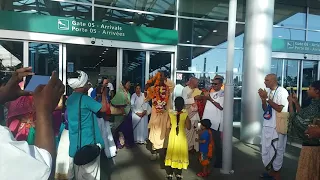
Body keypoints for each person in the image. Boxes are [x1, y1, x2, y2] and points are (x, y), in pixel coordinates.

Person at [0, 67, 65, 180]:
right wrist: (44, 111)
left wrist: (3, 96)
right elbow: (43, 167)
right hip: (31, 134)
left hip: (28, 132)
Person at [67, 70, 106, 180]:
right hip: (88, 145)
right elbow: (104, 108)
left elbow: (86, 108)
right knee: (90, 176)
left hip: (75, 145)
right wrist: (104, 94)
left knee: (79, 175)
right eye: (87, 81)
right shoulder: (85, 99)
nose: (89, 83)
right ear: (82, 84)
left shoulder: (70, 99)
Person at [258, 74, 289, 180]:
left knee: (278, 150)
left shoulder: (282, 91)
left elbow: (279, 108)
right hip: (268, 125)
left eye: (267, 80)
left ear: (274, 81)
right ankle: (271, 173)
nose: (264, 82)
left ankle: (277, 176)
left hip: (278, 127)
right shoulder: (270, 92)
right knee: (268, 149)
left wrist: (266, 98)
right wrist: (263, 99)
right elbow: (266, 109)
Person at [288, 80, 320, 180]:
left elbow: (298, 121)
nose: (307, 91)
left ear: (317, 91)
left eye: (310, 89)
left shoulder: (316, 106)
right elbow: (304, 116)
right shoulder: (314, 104)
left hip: (312, 148)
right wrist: (296, 103)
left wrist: (290, 104)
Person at [145, 71, 175, 160]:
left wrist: (164, 78)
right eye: (159, 77)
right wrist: (146, 88)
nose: (160, 79)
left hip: (165, 114)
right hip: (156, 115)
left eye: (162, 77)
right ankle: (154, 152)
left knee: (165, 133)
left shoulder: (169, 88)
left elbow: (173, 84)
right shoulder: (154, 88)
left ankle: (164, 153)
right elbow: (146, 97)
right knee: (154, 133)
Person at [164, 97, 191, 180]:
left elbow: (168, 126)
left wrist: (166, 137)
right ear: (183, 104)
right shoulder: (185, 114)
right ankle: (178, 174)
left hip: (172, 135)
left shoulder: (171, 113)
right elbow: (189, 127)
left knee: (171, 152)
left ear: (175, 104)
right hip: (181, 136)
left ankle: (170, 174)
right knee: (180, 153)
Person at [202, 77, 224, 169]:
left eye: (215, 84)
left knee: (216, 143)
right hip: (206, 121)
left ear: (221, 84)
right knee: (205, 142)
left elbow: (220, 107)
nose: (213, 85)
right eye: (212, 83)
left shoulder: (223, 94)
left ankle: (219, 162)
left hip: (215, 122)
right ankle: (205, 160)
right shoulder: (210, 92)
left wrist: (210, 99)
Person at [92, 84, 116, 158]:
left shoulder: (105, 97)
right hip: (98, 118)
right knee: (102, 136)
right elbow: (103, 108)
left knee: (105, 135)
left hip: (103, 118)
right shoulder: (98, 96)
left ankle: (106, 152)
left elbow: (106, 108)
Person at [111, 79, 134, 149]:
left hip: (127, 113)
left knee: (127, 129)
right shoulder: (120, 93)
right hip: (121, 115)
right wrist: (124, 113)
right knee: (119, 129)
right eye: (128, 83)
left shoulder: (128, 93)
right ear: (124, 85)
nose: (129, 85)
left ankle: (127, 143)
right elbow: (119, 104)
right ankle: (118, 144)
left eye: (129, 83)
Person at [181, 77, 201, 152]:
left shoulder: (197, 90)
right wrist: (194, 98)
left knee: (195, 131)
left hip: (196, 114)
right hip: (189, 113)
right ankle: (186, 148)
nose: (197, 84)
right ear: (192, 82)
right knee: (188, 132)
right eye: (196, 82)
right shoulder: (185, 89)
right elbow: (184, 101)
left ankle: (193, 147)